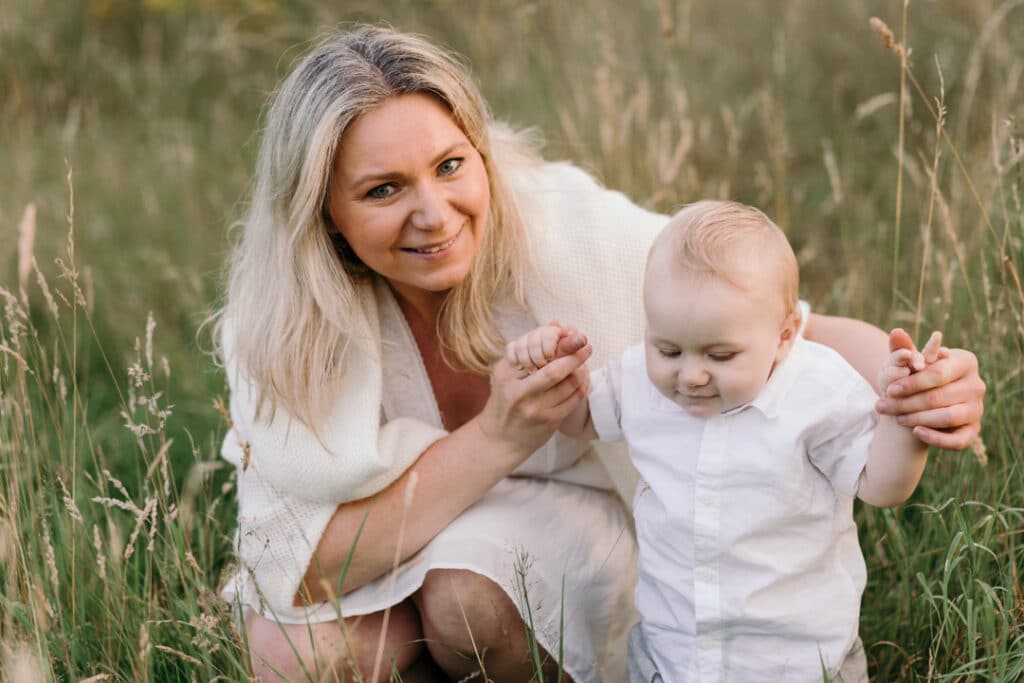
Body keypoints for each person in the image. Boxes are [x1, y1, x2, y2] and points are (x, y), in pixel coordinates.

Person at [214, 27, 986, 683]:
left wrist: (922, 382)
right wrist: (498, 435)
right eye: (383, 190)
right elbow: (310, 564)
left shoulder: (566, 233)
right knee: (302, 652)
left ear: (480, 154)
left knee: (466, 597)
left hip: (572, 528)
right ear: (325, 212)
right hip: (397, 531)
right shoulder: (286, 312)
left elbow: (793, 333)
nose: (433, 214)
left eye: (451, 166)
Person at [508, 200, 944, 682]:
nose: (691, 375)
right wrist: (544, 366)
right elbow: (580, 419)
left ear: (784, 335)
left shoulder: (819, 391)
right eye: (668, 349)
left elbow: (882, 486)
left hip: (796, 663)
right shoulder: (638, 379)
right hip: (672, 656)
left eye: (720, 355)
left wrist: (903, 421)